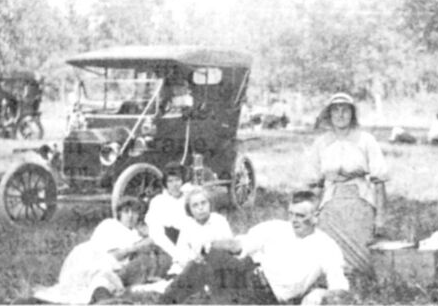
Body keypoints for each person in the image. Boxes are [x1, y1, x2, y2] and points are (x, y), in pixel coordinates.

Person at [160, 190, 350, 305]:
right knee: (212, 255)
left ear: (317, 216)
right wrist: (208, 244)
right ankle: (166, 301)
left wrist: (320, 292)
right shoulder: (276, 227)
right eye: (291, 214)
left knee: (215, 270)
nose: (294, 220)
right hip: (250, 276)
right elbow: (237, 245)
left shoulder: (326, 247)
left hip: (269, 298)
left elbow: (340, 287)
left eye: (301, 216)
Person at [303, 92, 388, 277]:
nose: (340, 115)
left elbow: (379, 182)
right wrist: (311, 212)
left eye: (345, 110)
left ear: (352, 114)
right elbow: (315, 184)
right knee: (326, 247)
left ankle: (360, 278)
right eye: (335, 110)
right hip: (331, 200)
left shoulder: (366, 140)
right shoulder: (321, 143)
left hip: (361, 200)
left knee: (362, 255)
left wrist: (380, 217)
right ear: (329, 115)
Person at [30, 197, 154, 304]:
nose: (131, 216)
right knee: (94, 276)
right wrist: (133, 248)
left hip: (109, 263)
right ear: (120, 213)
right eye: (126, 211)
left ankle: (101, 297)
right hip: (92, 255)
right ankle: (100, 297)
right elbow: (112, 255)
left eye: (135, 212)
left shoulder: (135, 235)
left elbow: (151, 242)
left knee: (102, 279)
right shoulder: (110, 225)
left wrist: (144, 235)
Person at [144, 161, 192, 275]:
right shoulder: (158, 202)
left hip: (189, 241)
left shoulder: (189, 198)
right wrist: (177, 254)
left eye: (177, 180)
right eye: (170, 181)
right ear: (165, 184)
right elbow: (157, 234)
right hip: (167, 244)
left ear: (183, 181)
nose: (174, 184)